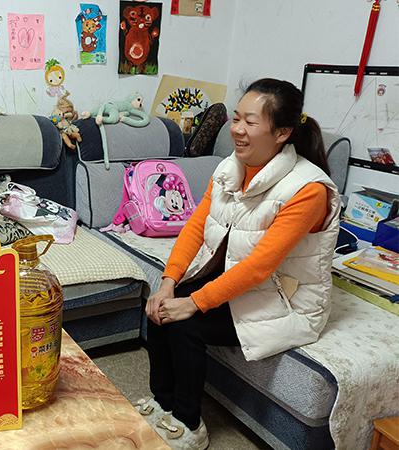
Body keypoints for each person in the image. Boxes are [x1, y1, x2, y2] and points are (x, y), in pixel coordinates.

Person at [138, 78, 341, 449]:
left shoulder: (308, 189)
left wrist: (194, 302)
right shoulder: (230, 168)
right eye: (235, 118)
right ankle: (162, 401)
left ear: (282, 133)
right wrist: (169, 282)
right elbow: (196, 226)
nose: (237, 130)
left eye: (250, 122)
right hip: (240, 281)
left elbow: (261, 266)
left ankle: (189, 424)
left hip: (283, 299)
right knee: (160, 306)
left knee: (185, 324)